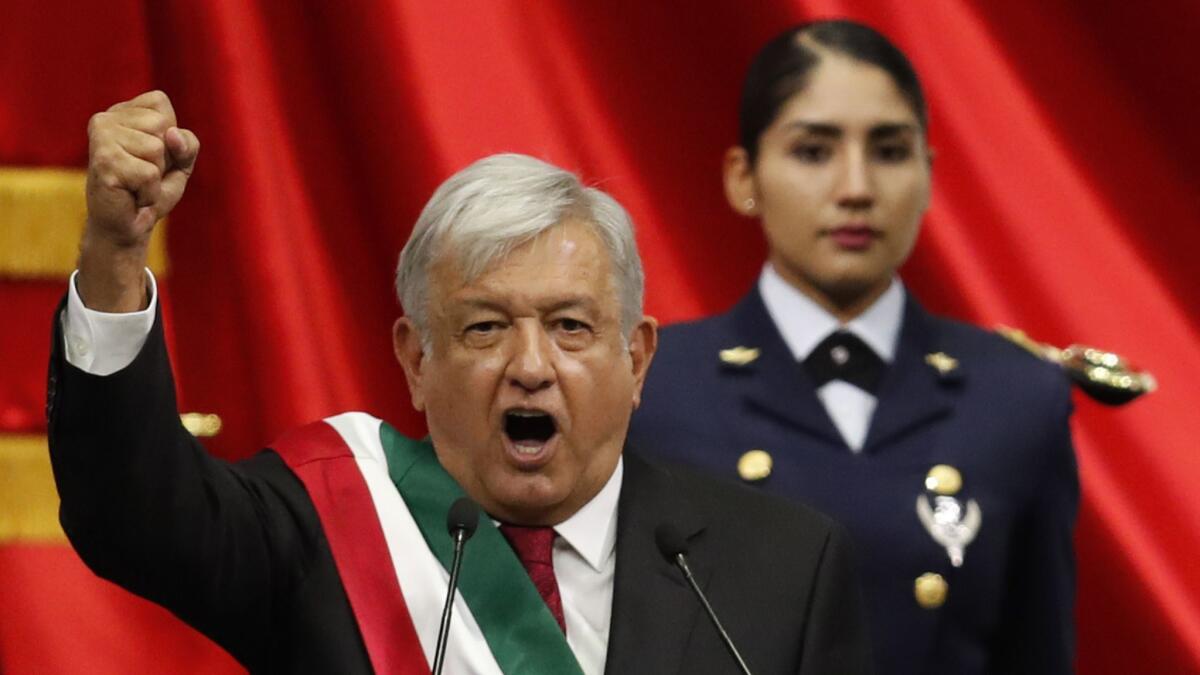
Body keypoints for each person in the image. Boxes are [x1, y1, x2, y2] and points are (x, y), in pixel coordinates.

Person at [48, 91, 872, 674]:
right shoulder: (325, 528)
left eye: (570, 326)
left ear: (637, 359)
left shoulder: (781, 569)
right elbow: (129, 510)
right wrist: (117, 256)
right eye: (484, 327)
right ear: (414, 359)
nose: (531, 365)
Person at [628, 20, 1078, 675]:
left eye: (891, 150)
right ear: (742, 176)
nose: (857, 187)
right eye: (813, 151)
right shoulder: (652, 390)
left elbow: (1038, 655)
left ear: (928, 174)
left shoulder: (1015, 396)